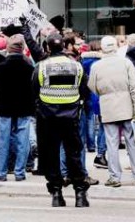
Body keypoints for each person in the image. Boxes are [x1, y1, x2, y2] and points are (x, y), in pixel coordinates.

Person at [34, 33, 91, 208]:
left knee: (51, 156)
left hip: (48, 117)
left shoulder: (41, 67)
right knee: (74, 155)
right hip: (71, 117)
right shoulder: (76, 66)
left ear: (48, 48)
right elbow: (84, 90)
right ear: (64, 47)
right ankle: (80, 194)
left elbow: (34, 90)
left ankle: (57, 193)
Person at [89, 35, 135, 188]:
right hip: (127, 107)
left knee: (111, 144)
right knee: (132, 143)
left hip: (108, 108)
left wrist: (104, 94)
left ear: (102, 48)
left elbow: (92, 86)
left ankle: (115, 177)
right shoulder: (126, 63)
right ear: (115, 46)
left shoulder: (97, 66)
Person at [0, 34, 34, 182]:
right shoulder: (29, 67)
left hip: (5, 107)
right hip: (24, 107)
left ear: (8, 48)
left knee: (3, 140)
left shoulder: (1, 67)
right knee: (23, 140)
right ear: (22, 49)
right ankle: (20, 172)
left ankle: (1, 172)